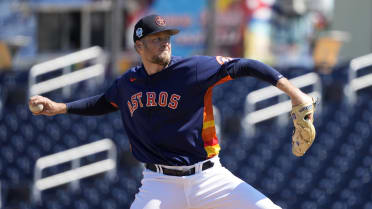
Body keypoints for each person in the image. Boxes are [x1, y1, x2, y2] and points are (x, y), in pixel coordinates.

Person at [29, 14, 313, 209]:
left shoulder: (193, 69)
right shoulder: (128, 83)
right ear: (139, 46)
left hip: (209, 178)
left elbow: (246, 65)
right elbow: (104, 102)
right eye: (156, 38)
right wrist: (61, 107)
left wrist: (295, 93)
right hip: (158, 183)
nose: (165, 42)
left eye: (167, 36)